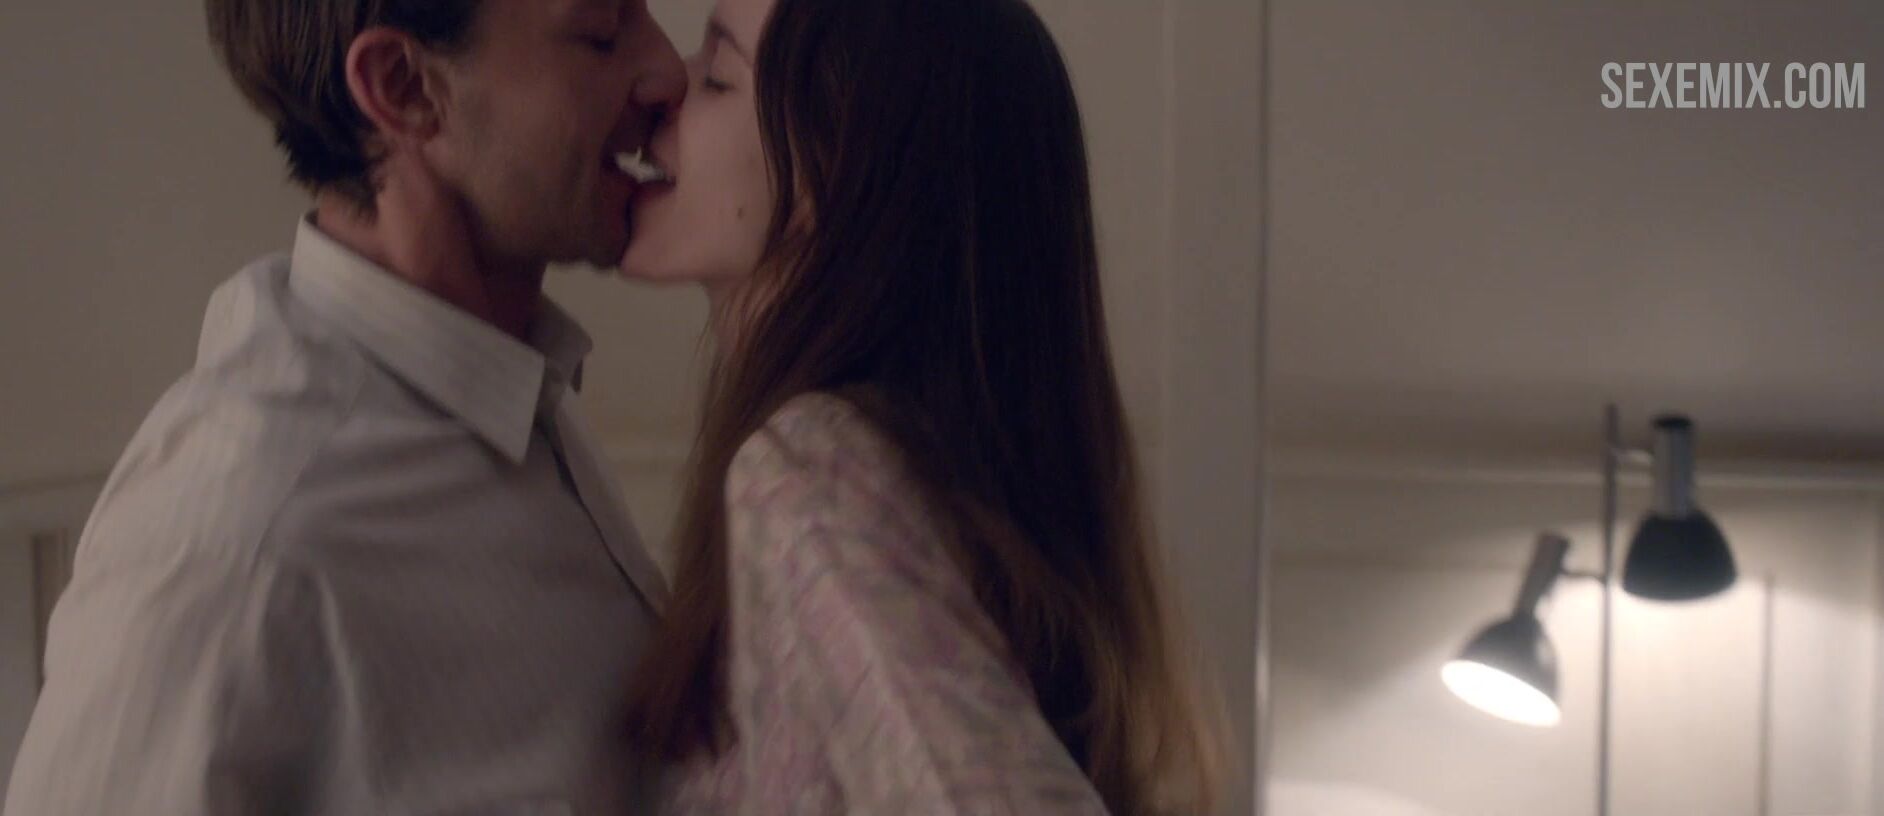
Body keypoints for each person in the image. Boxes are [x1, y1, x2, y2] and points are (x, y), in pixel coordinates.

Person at [5, 1, 683, 813]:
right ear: (404, 88)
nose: (666, 70)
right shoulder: (238, 538)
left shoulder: (511, 384)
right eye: (601, 34)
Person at [617, 0, 1224, 813]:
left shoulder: (811, 472)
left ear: (831, 169)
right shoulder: (919, 482)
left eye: (719, 77)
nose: (666, 86)